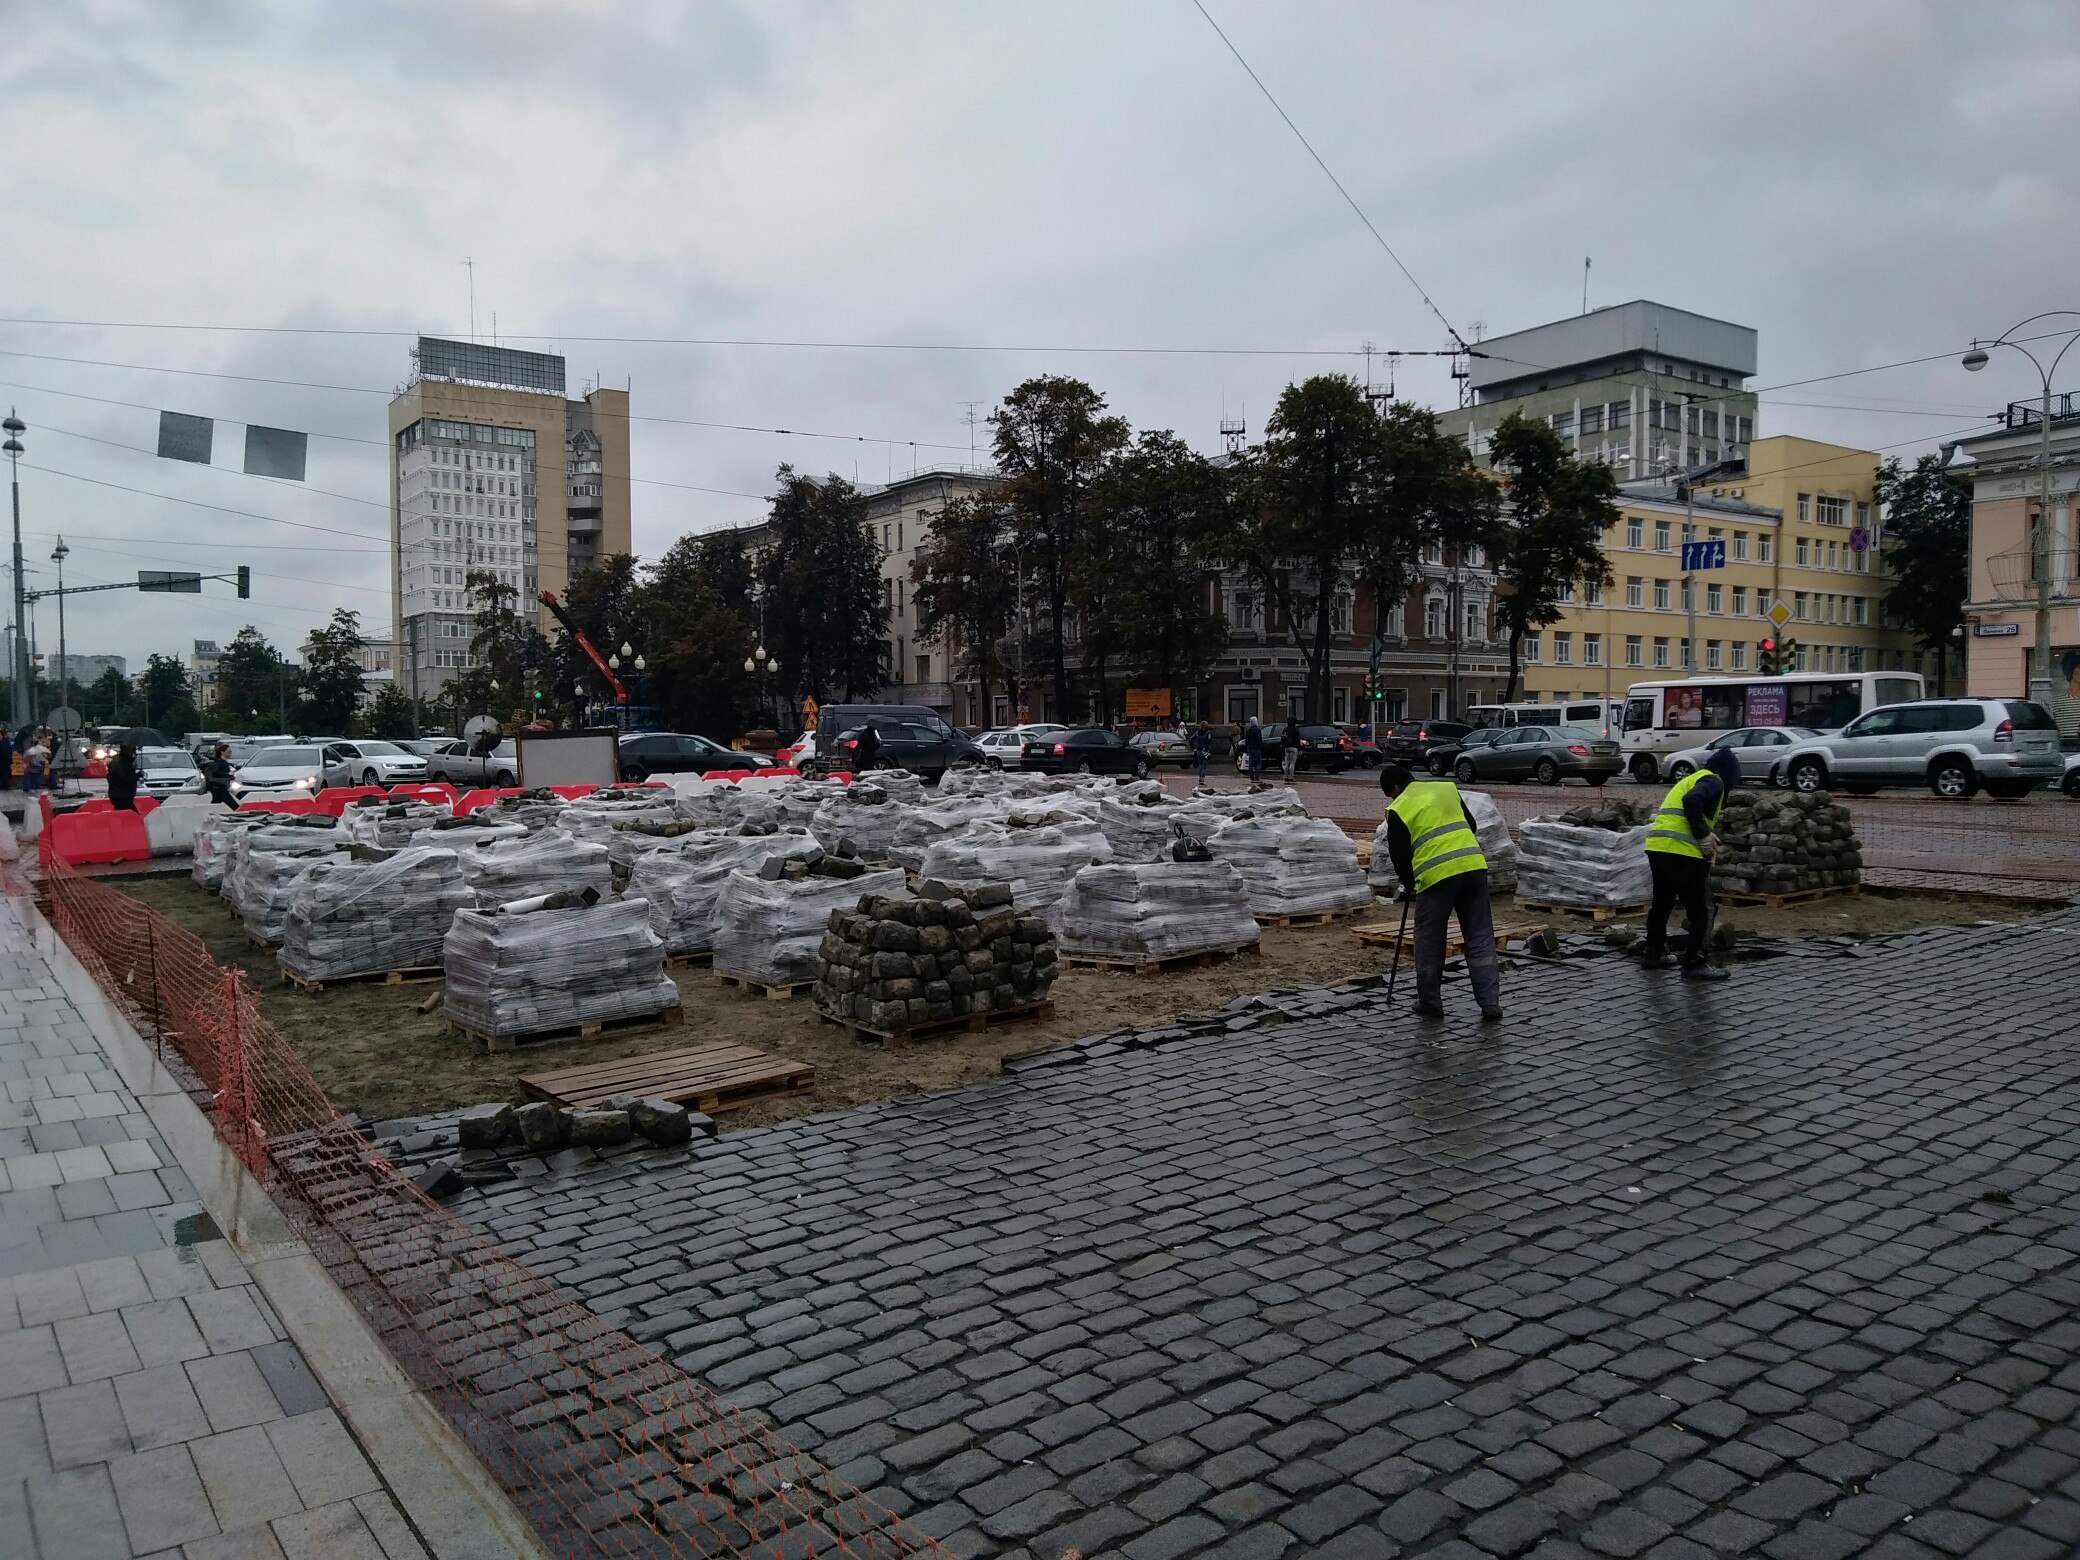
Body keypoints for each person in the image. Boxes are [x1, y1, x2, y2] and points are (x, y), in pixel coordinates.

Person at [1379, 763, 1502, 1021]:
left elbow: (1399, 856)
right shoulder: (1446, 788)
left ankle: (1431, 1003)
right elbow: (1470, 825)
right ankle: (1490, 1003)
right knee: (1479, 935)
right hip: (1473, 866)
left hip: (1436, 878)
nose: (1391, 798)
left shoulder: (1399, 808)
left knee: (1430, 941)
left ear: (1396, 788)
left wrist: (1408, 882)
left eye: (1390, 794)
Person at [1641, 746, 1741, 981]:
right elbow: (1692, 801)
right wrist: (1702, 833)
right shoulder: (1714, 781)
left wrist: (1704, 833)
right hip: (1682, 854)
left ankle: (1653, 953)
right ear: (1729, 774)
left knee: (1663, 903)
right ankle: (1694, 963)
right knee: (1703, 909)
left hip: (1658, 848)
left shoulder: (1692, 778)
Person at [203, 743, 237, 808]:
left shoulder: (222, 762)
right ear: (222, 752)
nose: (230, 753)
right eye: (229, 751)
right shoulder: (219, 763)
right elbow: (215, 773)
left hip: (217, 788)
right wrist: (228, 775)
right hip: (220, 788)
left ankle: (206, 814)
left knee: (214, 805)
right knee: (235, 806)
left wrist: (230, 777)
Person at [106, 744, 139, 811]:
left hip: (123, 795)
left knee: (124, 815)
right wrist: (137, 776)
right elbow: (124, 778)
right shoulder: (120, 762)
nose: (134, 751)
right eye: (133, 749)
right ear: (127, 749)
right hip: (121, 795)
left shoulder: (125, 761)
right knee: (131, 815)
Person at [21, 730, 50, 794]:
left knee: (31, 777)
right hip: (40, 764)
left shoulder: (29, 750)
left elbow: (25, 757)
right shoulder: (42, 748)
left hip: (33, 765)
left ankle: (30, 788)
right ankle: (37, 787)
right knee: (38, 777)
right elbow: (48, 754)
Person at [1190, 721, 1214, 787]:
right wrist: (1207, 747)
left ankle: (1200, 779)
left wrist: (1193, 748)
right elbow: (1209, 740)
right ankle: (1202, 780)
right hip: (1205, 751)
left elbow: (1191, 739)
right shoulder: (1208, 733)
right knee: (1204, 766)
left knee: (1201, 766)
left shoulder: (1197, 733)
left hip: (1198, 751)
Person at [1242, 717, 1264, 787]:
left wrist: (1247, 747)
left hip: (1250, 748)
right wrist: (1260, 745)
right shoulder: (1258, 730)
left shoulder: (1248, 731)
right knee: (1258, 763)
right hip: (1256, 748)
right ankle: (1256, 777)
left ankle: (1251, 777)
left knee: (1251, 763)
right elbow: (1259, 739)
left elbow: (1246, 740)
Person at [1282, 713, 1303, 781]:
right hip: (1293, 748)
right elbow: (1297, 740)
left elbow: (1282, 738)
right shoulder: (1295, 730)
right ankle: (1291, 777)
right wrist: (1299, 749)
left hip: (1286, 748)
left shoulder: (1285, 729)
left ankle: (1285, 776)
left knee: (1286, 763)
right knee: (1292, 763)